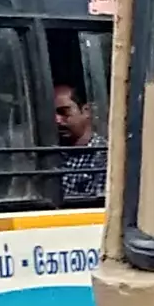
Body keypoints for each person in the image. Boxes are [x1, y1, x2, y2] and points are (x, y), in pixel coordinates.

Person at [50, 75, 104, 207]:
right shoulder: (50, 156)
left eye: (64, 112)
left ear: (86, 111)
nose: (57, 120)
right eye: (52, 114)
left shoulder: (103, 157)